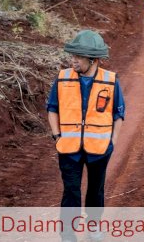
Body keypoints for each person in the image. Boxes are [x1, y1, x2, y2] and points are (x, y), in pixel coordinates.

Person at [47, 29, 125, 242]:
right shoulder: (63, 78)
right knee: (71, 191)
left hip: (99, 150)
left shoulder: (110, 81)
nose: (73, 61)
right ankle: (68, 235)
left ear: (93, 60)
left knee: (95, 191)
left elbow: (119, 113)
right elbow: (52, 108)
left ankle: (94, 228)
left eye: (78, 57)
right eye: (73, 56)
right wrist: (57, 137)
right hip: (68, 148)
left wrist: (113, 142)